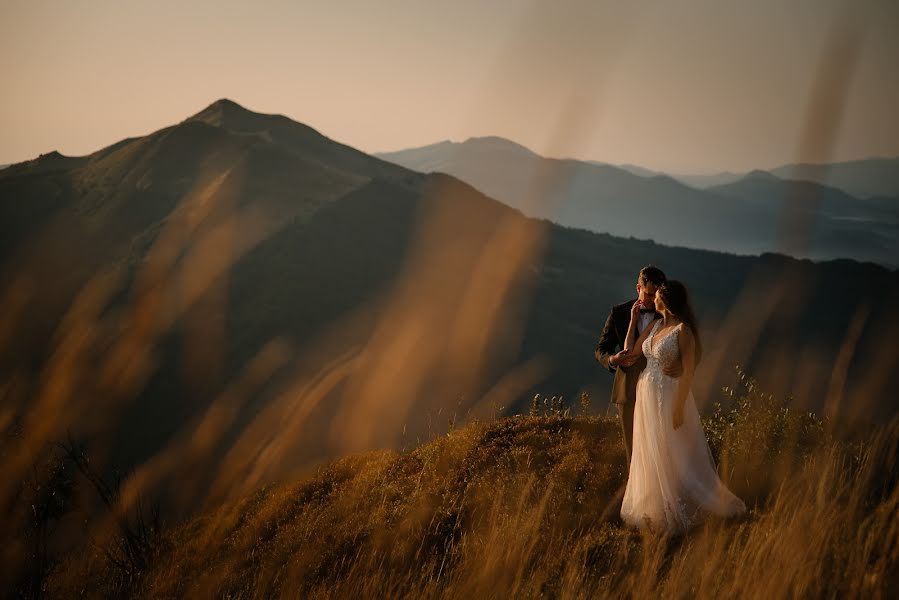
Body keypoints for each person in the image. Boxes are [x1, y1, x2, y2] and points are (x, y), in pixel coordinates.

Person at [618, 279, 746, 534]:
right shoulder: (655, 325)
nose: (652, 297)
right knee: (650, 447)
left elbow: (687, 373)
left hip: (670, 393)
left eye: (656, 295)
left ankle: (679, 502)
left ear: (664, 299)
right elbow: (630, 352)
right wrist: (633, 319)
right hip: (646, 394)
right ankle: (654, 504)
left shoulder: (683, 331)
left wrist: (678, 408)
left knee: (672, 447)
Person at [595, 266, 681, 465]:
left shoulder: (669, 315)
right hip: (627, 392)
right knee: (633, 454)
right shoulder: (619, 312)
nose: (652, 300)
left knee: (662, 451)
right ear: (638, 288)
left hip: (660, 391)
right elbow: (601, 348)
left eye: (656, 295)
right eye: (648, 294)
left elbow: (692, 348)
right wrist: (612, 360)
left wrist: (683, 367)